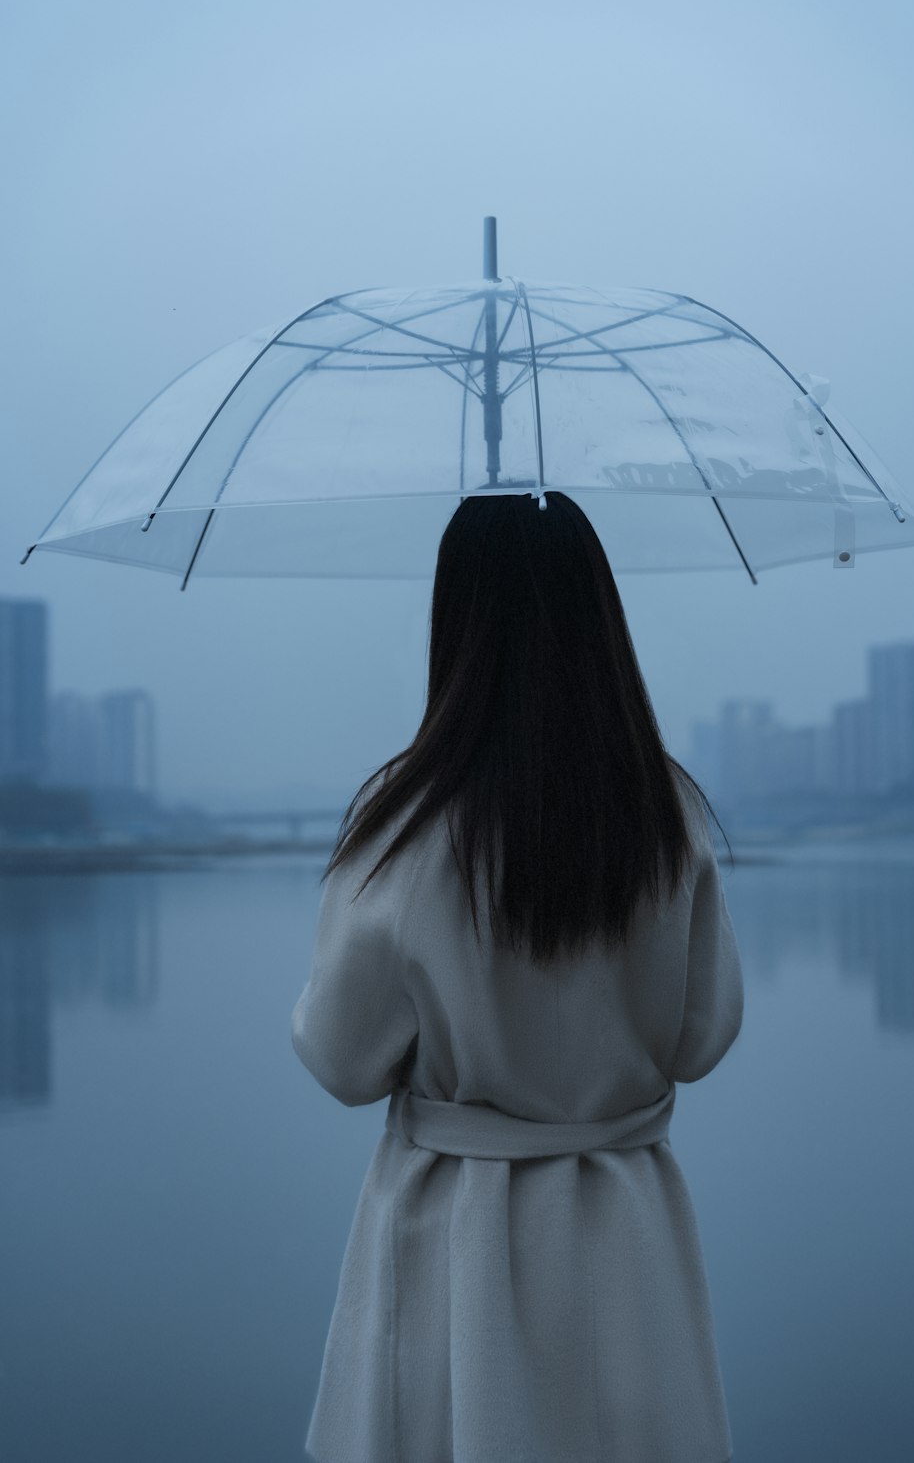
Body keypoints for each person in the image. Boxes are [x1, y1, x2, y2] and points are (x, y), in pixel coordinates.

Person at [291, 489, 744, 1463]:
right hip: (623, 1222)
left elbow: (340, 1059)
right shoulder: (665, 810)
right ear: (598, 615)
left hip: (455, 1228)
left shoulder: (404, 816)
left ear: (455, 620)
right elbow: (701, 1041)